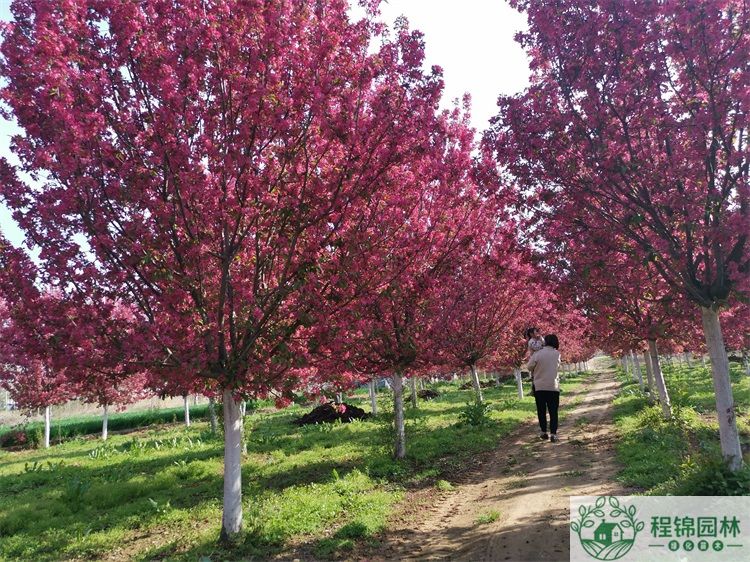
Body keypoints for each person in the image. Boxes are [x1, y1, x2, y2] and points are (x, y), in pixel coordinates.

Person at [528, 334, 561, 442]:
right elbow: (557, 366)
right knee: (553, 411)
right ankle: (553, 434)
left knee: (541, 410)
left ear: (545, 342)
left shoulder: (538, 354)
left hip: (540, 387)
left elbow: (529, 367)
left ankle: (543, 432)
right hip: (553, 386)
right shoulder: (557, 354)